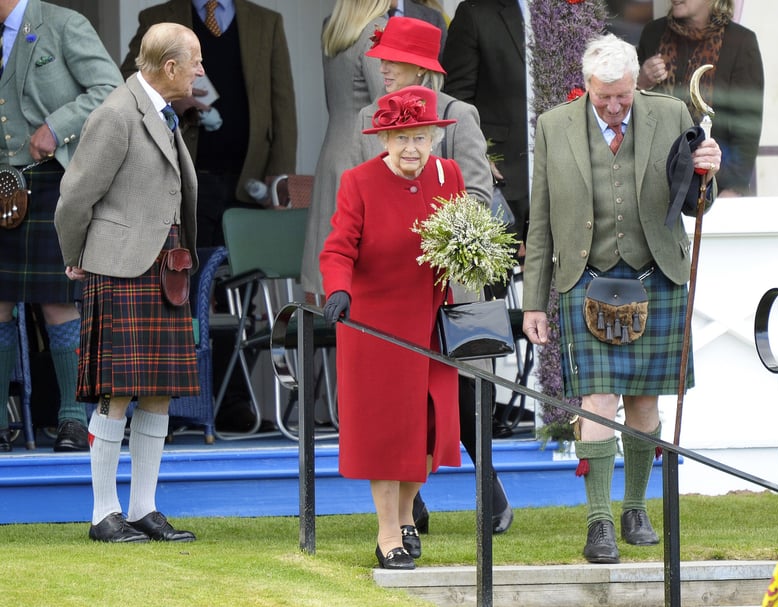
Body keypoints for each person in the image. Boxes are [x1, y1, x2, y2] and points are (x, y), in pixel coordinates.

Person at [521, 33, 722, 564]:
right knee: (597, 402)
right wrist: (533, 302)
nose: (613, 106)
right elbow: (539, 220)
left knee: (643, 402)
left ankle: (635, 508)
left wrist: (708, 169)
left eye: (623, 96)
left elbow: (697, 202)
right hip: (585, 279)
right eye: (603, 95)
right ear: (587, 84)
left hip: (656, 273)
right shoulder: (554, 126)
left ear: (636, 83)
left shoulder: (674, 113)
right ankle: (599, 521)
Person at [353, 16, 512, 535]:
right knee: (400, 403)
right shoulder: (367, 118)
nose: (383, 70)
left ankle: (486, 494)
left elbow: (479, 196)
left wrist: (428, 235)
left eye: (391, 61)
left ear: (419, 66)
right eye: (382, 62)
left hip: (451, 289)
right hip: (389, 294)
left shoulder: (456, 114)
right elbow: (359, 198)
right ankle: (404, 511)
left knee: (459, 403)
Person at [54, 22, 203, 543]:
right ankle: (103, 513)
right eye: (195, 62)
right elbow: (74, 198)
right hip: (119, 267)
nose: (201, 70)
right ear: (169, 68)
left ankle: (143, 507)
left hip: (167, 268)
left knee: (159, 391)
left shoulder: (163, 112)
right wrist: (76, 256)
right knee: (115, 393)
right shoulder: (116, 113)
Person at [320, 85, 462, 570]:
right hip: (375, 325)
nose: (410, 149)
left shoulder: (449, 175)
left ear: (434, 140)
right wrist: (338, 288)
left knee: (429, 426)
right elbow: (337, 248)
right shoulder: (358, 181)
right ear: (384, 140)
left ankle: (405, 514)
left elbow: (461, 237)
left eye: (420, 138)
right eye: (401, 138)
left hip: (431, 321)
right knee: (386, 432)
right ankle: (387, 536)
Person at [0, 0, 122, 453]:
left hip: (50, 179)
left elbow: (109, 87)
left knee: (57, 303)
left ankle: (73, 419)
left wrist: (57, 125)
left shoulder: (64, 24)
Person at [120, 0, 298, 248]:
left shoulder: (267, 22)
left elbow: (283, 104)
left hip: (250, 181)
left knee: (244, 279)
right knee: (190, 277)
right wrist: (170, 98)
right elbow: (130, 78)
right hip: (185, 180)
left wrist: (281, 175)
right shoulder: (157, 18)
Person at [300, 0, 390, 302]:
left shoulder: (334, 27)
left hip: (334, 150)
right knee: (368, 283)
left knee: (334, 278)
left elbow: (332, 100)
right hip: (367, 154)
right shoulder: (378, 28)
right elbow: (387, 105)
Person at [636, 0, 763, 197]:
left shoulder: (740, 41)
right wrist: (641, 81)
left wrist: (733, 190)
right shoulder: (653, 33)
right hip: (656, 186)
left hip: (712, 184)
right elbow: (627, 111)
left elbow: (747, 129)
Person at [442, 0, 530, 243]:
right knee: (500, 278)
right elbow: (457, 99)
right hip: (503, 174)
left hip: (559, 173)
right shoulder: (475, 12)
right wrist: (480, 155)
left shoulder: (569, 10)